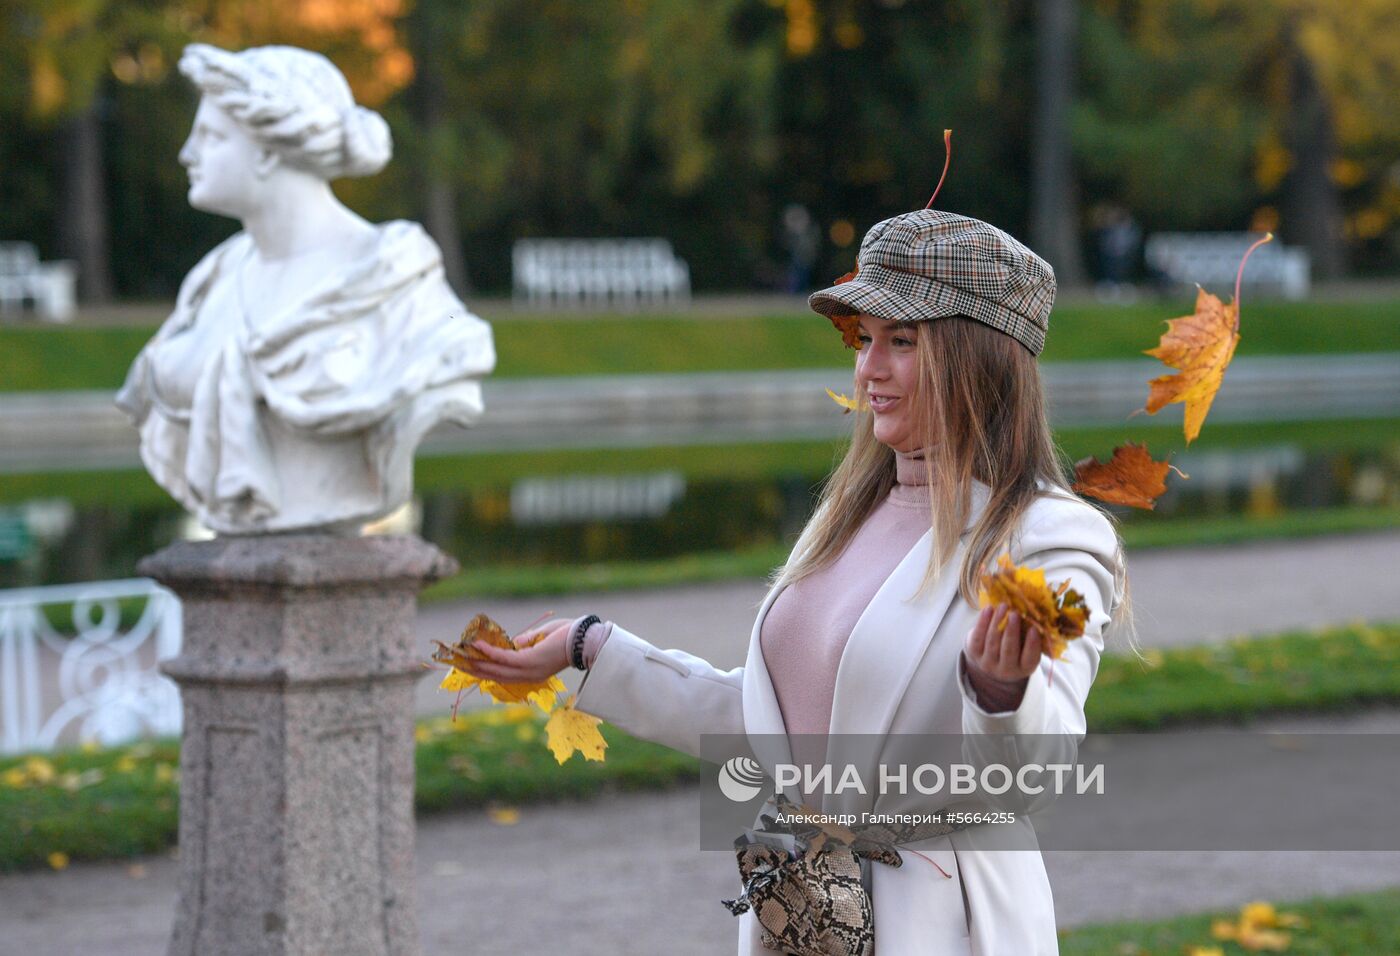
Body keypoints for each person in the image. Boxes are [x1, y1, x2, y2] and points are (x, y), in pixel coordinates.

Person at [460, 209, 1132, 954]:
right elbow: (783, 733)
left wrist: (1002, 695)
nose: (868, 369)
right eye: (865, 340)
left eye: (901, 342)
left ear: (978, 360)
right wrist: (592, 651)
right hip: (800, 915)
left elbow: (1035, 776)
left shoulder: (1053, 537)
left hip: (939, 926)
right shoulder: (853, 512)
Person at [116, 43, 494, 535]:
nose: (187, 153)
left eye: (210, 136)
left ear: (270, 152)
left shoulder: (397, 282)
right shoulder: (214, 280)